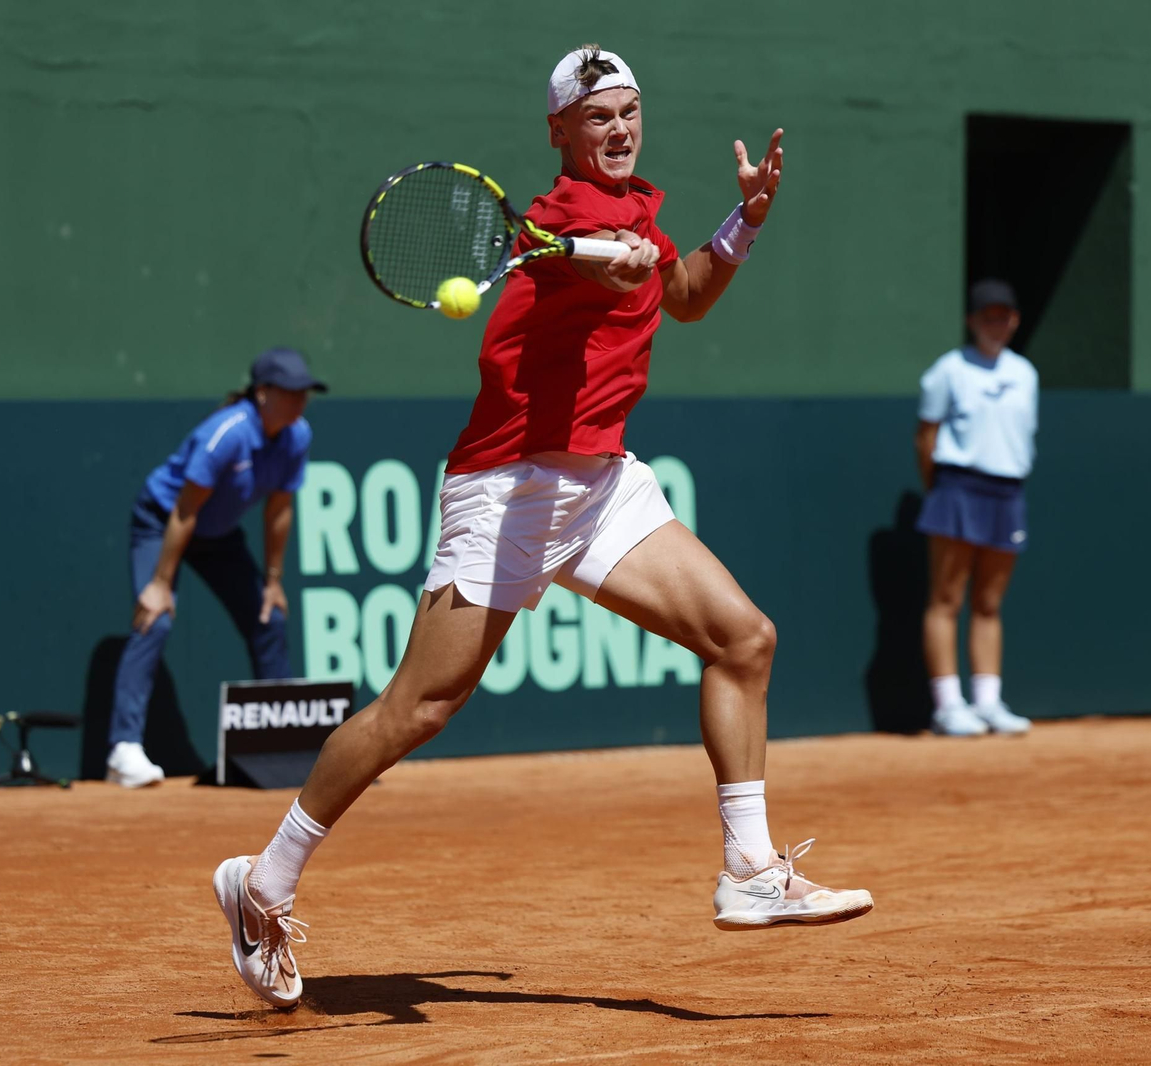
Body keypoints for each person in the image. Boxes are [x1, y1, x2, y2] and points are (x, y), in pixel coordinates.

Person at [211, 45, 875, 1010]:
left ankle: (750, 870)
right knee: (420, 709)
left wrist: (743, 221)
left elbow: (679, 296)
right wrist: (619, 260)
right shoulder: (558, 221)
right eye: (597, 116)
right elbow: (613, 279)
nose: (618, 129)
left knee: (743, 639)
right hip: (509, 487)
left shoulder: (638, 205)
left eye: (629, 112)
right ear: (559, 130)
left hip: (601, 481)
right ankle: (261, 880)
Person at [104, 347, 325, 787]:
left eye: (305, 393)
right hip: (164, 522)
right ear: (262, 393)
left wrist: (274, 581)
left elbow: (279, 509)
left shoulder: (297, 435)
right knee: (156, 618)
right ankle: (122, 751)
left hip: (217, 536)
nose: (300, 401)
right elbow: (184, 511)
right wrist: (160, 584)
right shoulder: (226, 434)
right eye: (290, 392)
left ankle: (285, 741)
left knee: (269, 617)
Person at [915, 279, 1039, 737]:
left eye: (1005, 314)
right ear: (971, 321)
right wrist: (941, 488)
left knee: (989, 602)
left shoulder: (1026, 374)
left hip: (1008, 491)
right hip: (956, 488)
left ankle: (988, 702)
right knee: (946, 599)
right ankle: (948, 706)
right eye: (988, 314)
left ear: (1016, 319)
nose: (997, 322)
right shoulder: (947, 371)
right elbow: (925, 436)